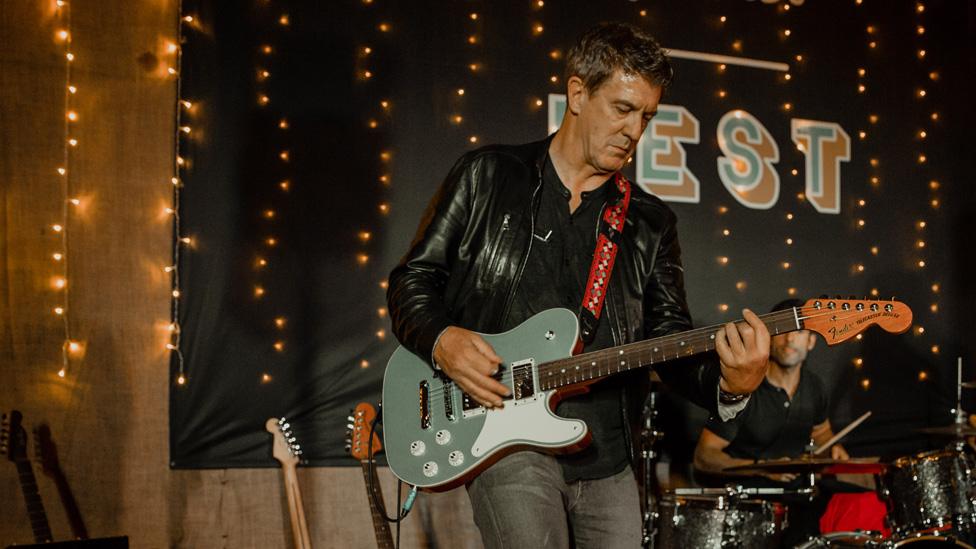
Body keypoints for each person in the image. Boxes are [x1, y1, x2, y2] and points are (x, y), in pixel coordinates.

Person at [387, 22, 769, 548]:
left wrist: (732, 386)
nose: (635, 130)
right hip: (503, 437)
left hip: (607, 455)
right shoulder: (489, 175)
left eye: (648, 116)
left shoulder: (650, 223)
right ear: (577, 93)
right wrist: (442, 340)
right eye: (622, 108)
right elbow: (413, 280)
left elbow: (670, 340)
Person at [693, 298, 854, 547]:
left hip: (799, 500)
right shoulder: (745, 388)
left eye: (799, 332)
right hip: (750, 506)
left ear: (811, 341)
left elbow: (822, 432)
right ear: (768, 337)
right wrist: (764, 467)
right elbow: (704, 458)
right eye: (784, 331)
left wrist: (833, 448)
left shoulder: (815, 387)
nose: (790, 340)